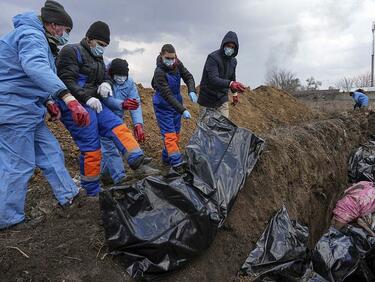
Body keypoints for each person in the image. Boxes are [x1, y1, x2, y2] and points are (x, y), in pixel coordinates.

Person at [0, 0, 89, 229]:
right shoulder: (31, 35)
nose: (66, 35)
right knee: (18, 164)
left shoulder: (41, 41)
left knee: (51, 152)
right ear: (53, 24)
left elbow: (30, 78)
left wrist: (49, 101)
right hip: (12, 109)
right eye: (66, 30)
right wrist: (67, 97)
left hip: (29, 110)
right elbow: (35, 67)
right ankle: (8, 220)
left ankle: (68, 195)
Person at [56, 21, 158, 196]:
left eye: (105, 46)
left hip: (95, 103)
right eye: (100, 44)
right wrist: (86, 98)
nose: (102, 49)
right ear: (89, 39)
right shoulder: (70, 51)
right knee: (92, 149)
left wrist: (105, 83)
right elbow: (66, 80)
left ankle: (138, 162)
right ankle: (92, 192)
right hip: (75, 105)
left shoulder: (98, 59)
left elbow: (105, 77)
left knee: (118, 127)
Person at [98, 58, 145, 184]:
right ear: (111, 73)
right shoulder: (104, 80)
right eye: (118, 76)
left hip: (117, 119)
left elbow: (135, 103)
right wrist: (122, 104)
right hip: (103, 118)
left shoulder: (129, 83)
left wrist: (138, 124)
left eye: (124, 76)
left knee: (113, 148)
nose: (121, 78)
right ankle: (120, 178)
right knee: (109, 148)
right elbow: (105, 99)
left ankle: (105, 175)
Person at [152, 44, 197, 173]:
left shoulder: (177, 64)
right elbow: (167, 95)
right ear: (161, 55)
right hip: (163, 105)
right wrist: (182, 110)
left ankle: (166, 160)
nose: (171, 61)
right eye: (168, 58)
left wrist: (191, 90)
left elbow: (188, 76)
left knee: (175, 135)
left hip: (176, 102)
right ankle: (177, 164)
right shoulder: (159, 72)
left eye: (173, 58)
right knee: (169, 136)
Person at [198, 31, 247, 118]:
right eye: (228, 46)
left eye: (232, 47)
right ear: (223, 45)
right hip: (208, 98)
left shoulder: (233, 61)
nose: (230, 48)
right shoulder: (213, 58)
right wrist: (231, 84)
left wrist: (234, 94)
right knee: (205, 128)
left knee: (223, 127)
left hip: (222, 98)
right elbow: (213, 79)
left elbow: (232, 78)